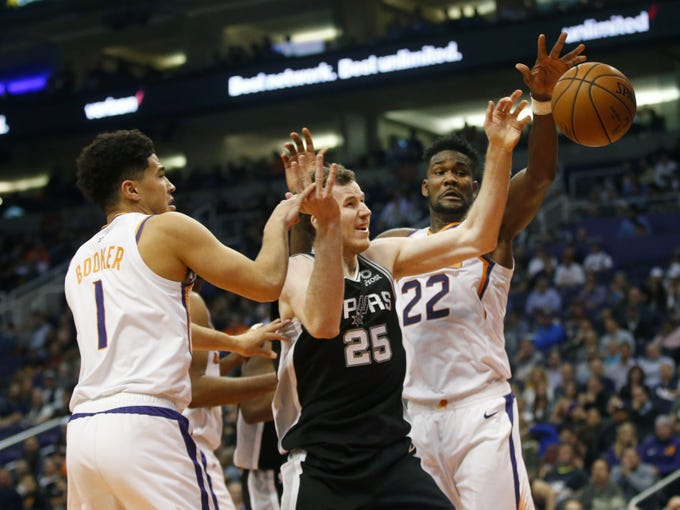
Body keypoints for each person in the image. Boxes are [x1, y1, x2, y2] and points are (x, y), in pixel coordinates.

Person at [274, 88, 531, 509]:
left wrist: (500, 149)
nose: (366, 212)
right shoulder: (296, 273)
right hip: (323, 464)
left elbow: (477, 235)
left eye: (364, 201)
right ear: (321, 212)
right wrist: (314, 215)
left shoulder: (381, 256)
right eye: (352, 204)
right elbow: (322, 321)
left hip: (389, 456)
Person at [377, 32, 586, 509]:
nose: (451, 177)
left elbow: (539, 177)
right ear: (425, 186)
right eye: (441, 171)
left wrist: (544, 103)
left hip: (480, 409)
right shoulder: (394, 247)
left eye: (461, 172)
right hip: (415, 420)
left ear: (476, 184)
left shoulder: (492, 233)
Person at [64, 129, 317, 509]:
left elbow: (153, 322)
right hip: (145, 423)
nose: (170, 185)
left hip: (83, 432)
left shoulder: (80, 260)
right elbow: (265, 283)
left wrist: (231, 343)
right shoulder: (165, 227)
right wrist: (281, 216)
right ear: (132, 189)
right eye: (160, 174)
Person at [185, 288, 285, 510]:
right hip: (264, 467)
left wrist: (235, 357)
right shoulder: (188, 300)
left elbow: (187, 380)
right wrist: (291, 379)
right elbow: (251, 410)